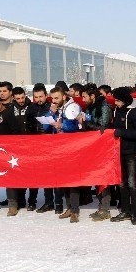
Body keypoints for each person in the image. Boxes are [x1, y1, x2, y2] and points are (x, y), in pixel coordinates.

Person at [108, 87, 136, 224]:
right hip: (118, 152)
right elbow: (114, 128)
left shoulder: (135, 111)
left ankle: (135, 213)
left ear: (124, 100)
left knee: (132, 183)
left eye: (117, 100)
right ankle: (125, 210)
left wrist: (121, 132)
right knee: (121, 183)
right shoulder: (117, 110)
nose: (115, 103)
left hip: (131, 152)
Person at [80, 86, 116, 221]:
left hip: (104, 147)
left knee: (104, 178)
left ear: (92, 96)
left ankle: (105, 209)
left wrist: (86, 123)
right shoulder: (89, 106)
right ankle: (101, 206)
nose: (83, 100)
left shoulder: (104, 106)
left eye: (84, 97)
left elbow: (103, 127)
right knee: (96, 177)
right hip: (94, 147)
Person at [26, 84, 62, 214]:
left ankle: (58, 203)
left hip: (51, 143)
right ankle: (48, 202)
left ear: (46, 95)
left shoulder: (51, 106)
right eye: (36, 97)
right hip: (36, 144)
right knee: (44, 174)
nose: (39, 99)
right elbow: (28, 124)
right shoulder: (31, 107)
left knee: (55, 174)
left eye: (41, 96)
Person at [47, 87, 82, 222]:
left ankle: (75, 210)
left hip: (72, 148)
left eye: (56, 98)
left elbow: (75, 127)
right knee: (64, 179)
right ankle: (69, 207)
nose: (54, 101)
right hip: (59, 148)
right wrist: (51, 113)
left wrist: (61, 126)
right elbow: (46, 127)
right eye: (52, 98)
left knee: (72, 180)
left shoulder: (73, 107)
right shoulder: (56, 109)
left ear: (64, 97)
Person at [10, 87, 34, 209]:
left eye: (22, 97)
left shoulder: (32, 107)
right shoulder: (10, 109)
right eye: (18, 98)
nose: (20, 100)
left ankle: (32, 200)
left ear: (25, 95)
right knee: (18, 173)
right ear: (13, 97)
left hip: (31, 145)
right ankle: (20, 199)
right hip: (16, 146)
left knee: (32, 173)